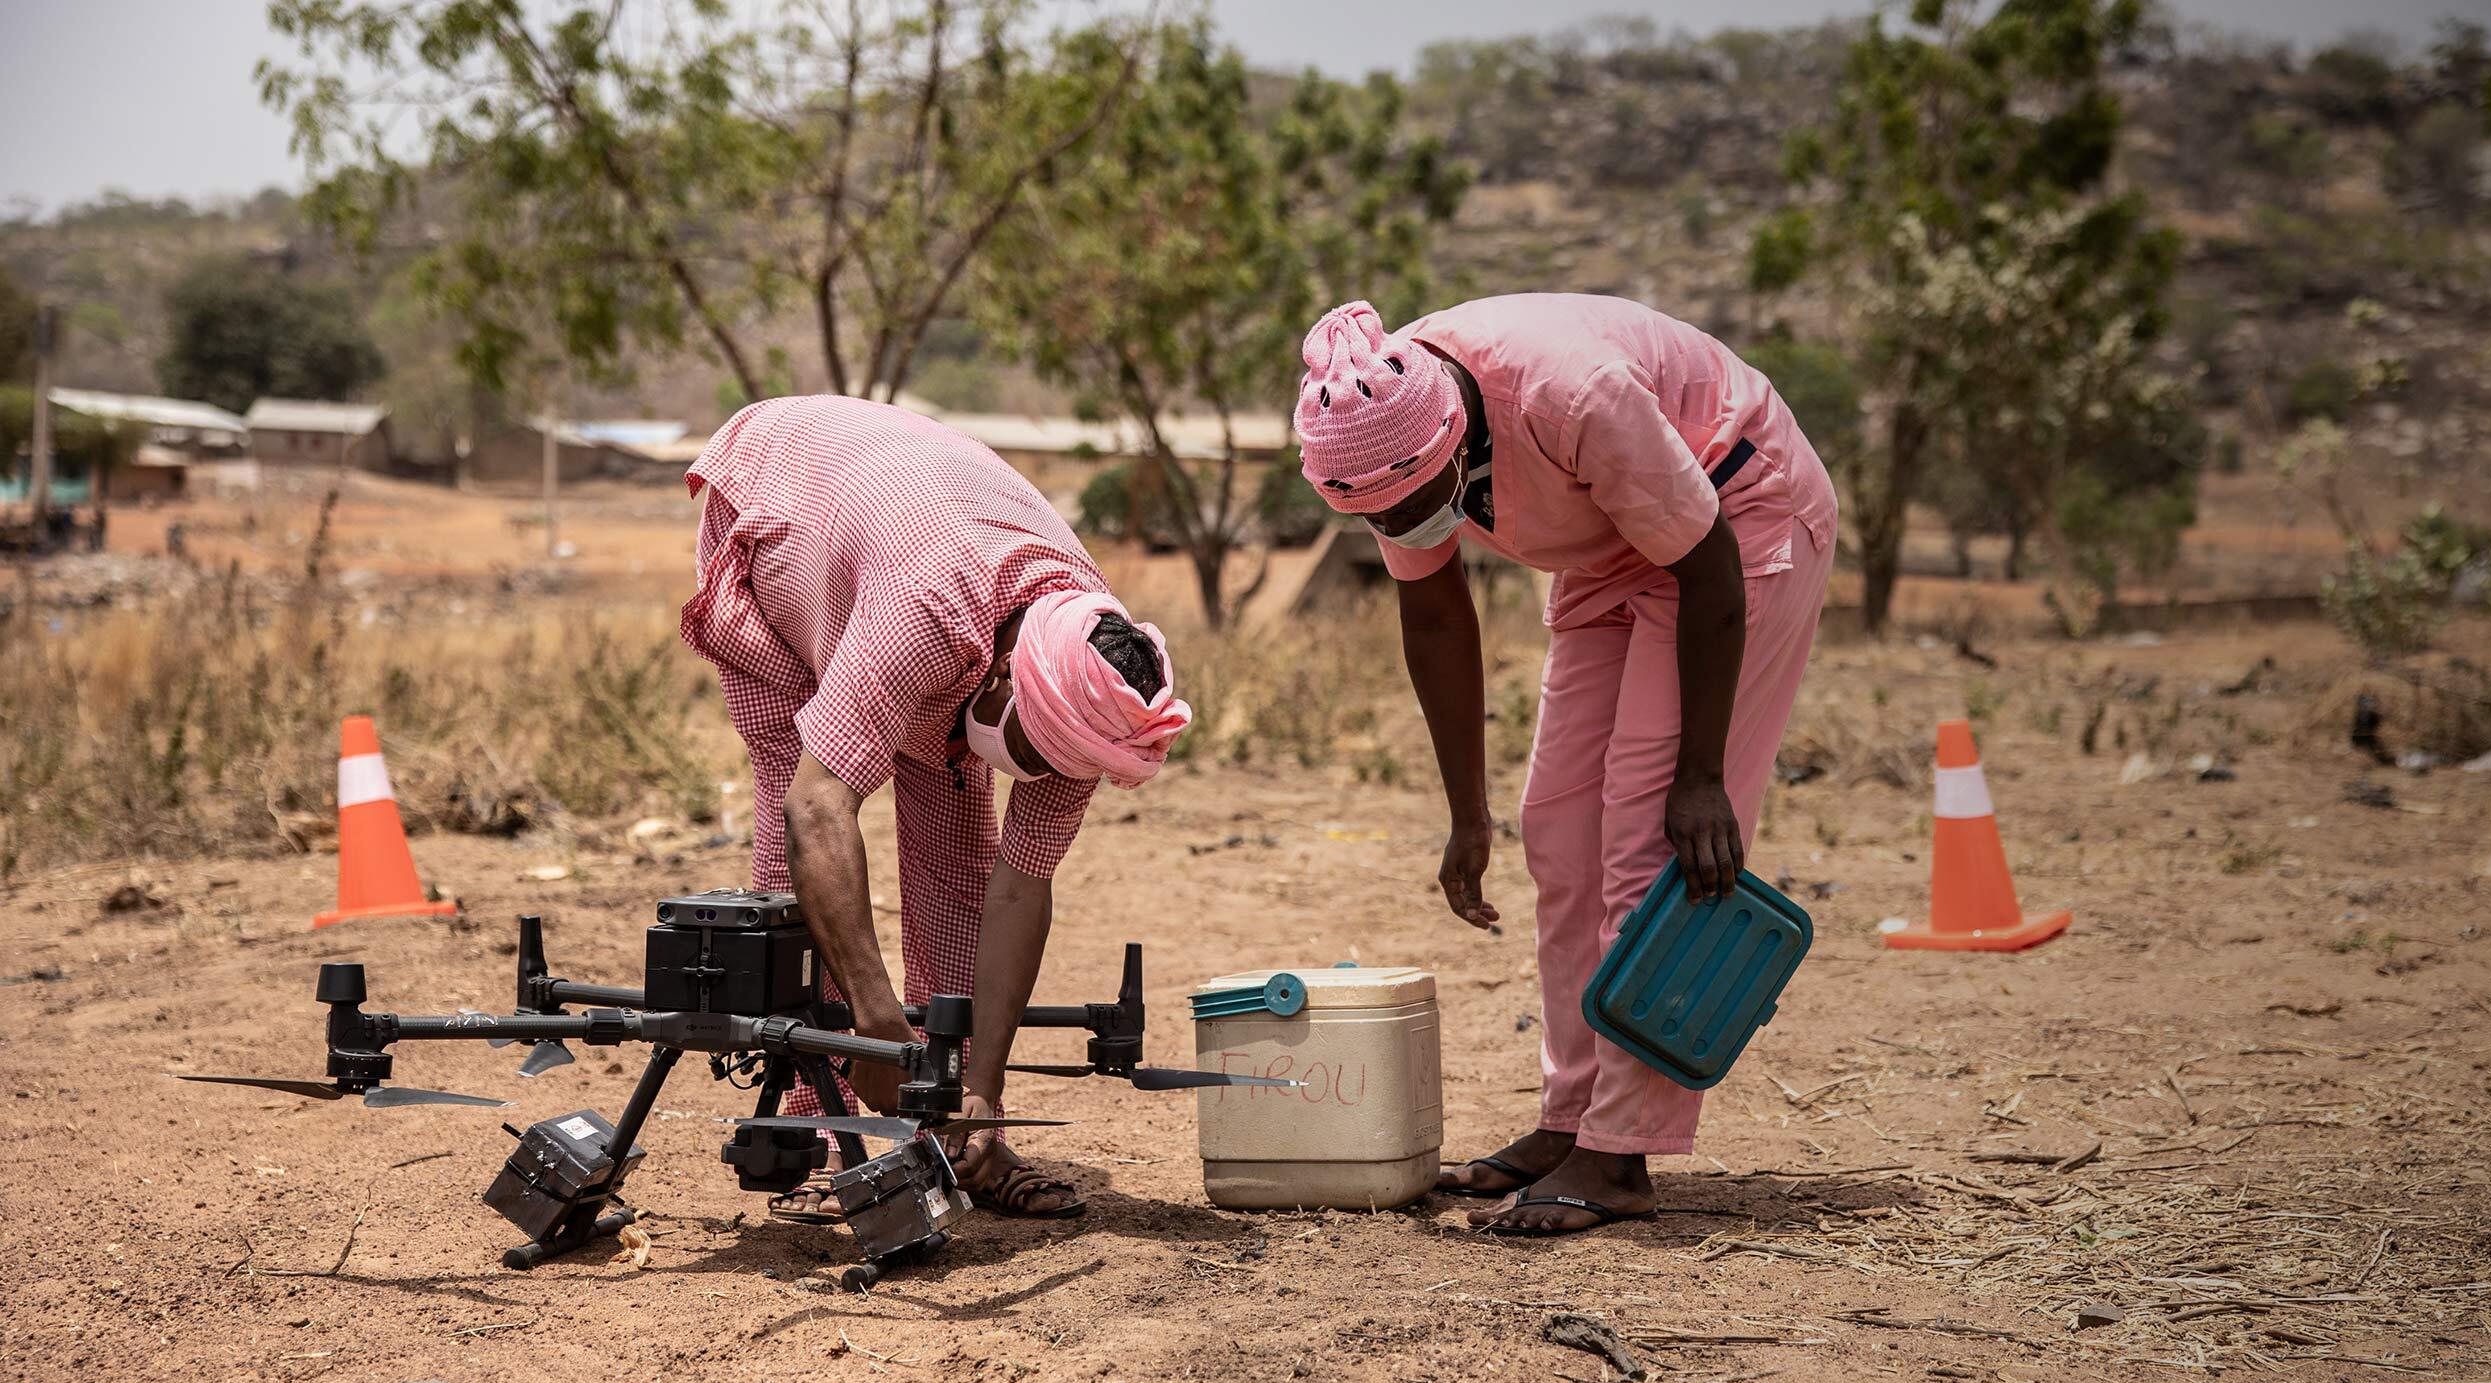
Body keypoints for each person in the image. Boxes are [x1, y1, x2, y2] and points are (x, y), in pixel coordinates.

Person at [1291, 296, 1837, 1235]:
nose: (1418, 525)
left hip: (1737, 519)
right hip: (1615, 545)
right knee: (1557, 830)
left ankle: (1620, 1153)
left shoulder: (1567, 394)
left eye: (1430, 505)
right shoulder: (1374, 428)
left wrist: (1701, 777)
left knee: (1645, 840)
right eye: (1391, 517)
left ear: (1454, 438)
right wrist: (1470, 812)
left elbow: (1706, 564)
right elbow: (1433, 612)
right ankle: (1571, 1118)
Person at [680, 394, 1190, 1222]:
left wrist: (985, 1087)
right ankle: (821, 1125)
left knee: (957, 837)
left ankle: (951, 1130)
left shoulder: (1092, 694)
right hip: (783, 498)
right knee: (792, 803)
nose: (1040, 776)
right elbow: (819, 808)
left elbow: (1019, 886)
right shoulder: (925, 614)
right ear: (999, 679)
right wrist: (876, 1018)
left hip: (906, 519)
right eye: (1029, 754)